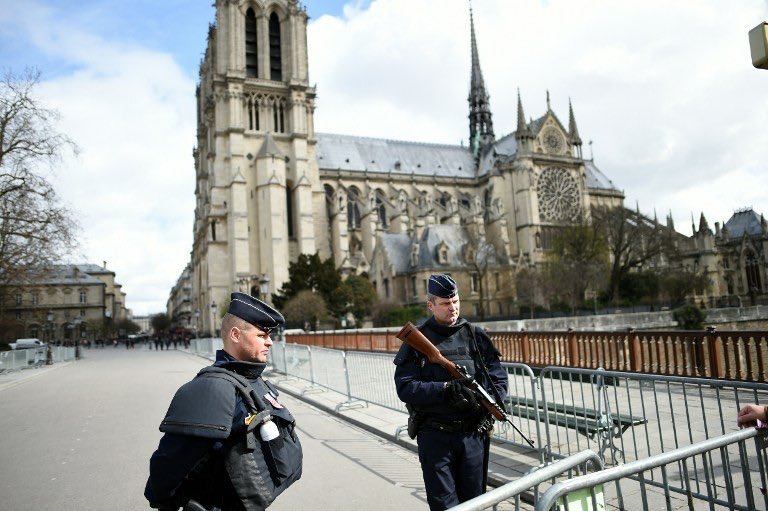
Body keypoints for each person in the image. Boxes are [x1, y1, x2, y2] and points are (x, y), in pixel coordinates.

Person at [145, 292, 302, 511]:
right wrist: (162, 497)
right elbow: (171, 462)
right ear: (236, 335)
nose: (269, 342)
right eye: (261, 335)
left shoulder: (253, 381)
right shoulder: (211, 390)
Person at [393, 274, 509, 510]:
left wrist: (480, 401)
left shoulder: (475, 336)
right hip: (436, 437)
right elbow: (405, 387)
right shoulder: (417, 341)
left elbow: (498, 380)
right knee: (444, 504)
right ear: (431, 305)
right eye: (445, 304)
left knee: (475, 502)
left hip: (472, 435)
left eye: (455, 301)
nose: (452, 308)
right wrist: (445, 389)